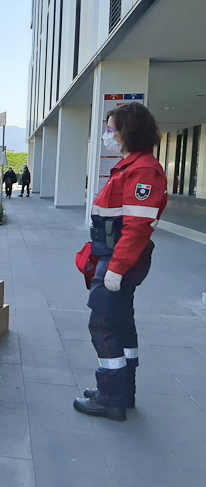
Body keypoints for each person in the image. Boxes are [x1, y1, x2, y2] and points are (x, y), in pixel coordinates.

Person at [73, 102, 167, 421]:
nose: (107, 135)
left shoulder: (142, 170)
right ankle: (120, 391)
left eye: (112, 129)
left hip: (119, 260)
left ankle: (110, 398)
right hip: (113, 256)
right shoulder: (131, 165)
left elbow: (137, 226)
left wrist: (116, 268)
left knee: (103, 324)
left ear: (129, 131)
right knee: (121, 323)